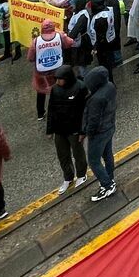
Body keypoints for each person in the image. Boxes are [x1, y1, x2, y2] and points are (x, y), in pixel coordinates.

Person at [45, 66, 88, 194]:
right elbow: (51, 109)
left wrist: (82, 131)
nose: (58, 82)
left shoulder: (80, 88)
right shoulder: (55, 89)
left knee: (78, 153)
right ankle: (68, 177)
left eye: (60, 79)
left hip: (74, 128)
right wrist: (50, 129)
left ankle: (81, 175)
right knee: (63, 155)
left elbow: (84, 111)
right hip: (59, 129)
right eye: (57, 79)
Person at [83, 66, 118, 202]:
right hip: (109, 126)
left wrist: (88, 132)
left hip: (99, 132)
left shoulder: (96, 99)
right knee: (108, 155)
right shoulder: (110, 86)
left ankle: (107, 185)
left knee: (93, 160)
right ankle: (109, 177)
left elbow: (93, 120)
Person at [27, 20, 74, 121]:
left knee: (40, 92)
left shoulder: (36, 41)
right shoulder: (60, 36)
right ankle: (62, 109)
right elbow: (70, 43)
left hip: (41, 73)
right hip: (58, 70)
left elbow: (30, 58)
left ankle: (40, 113)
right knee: (61, 90)